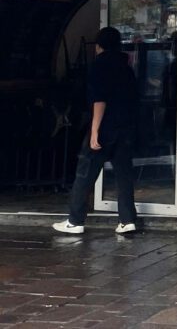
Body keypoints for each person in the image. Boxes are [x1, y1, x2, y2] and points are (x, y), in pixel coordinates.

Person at [53, 27, 139, 235]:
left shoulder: (98, 66)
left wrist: (94, 130)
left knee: (85, 172)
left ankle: (75, 220)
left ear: (99, 45)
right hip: (125, 127)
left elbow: (99, 100)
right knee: (124, 174)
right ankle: (127, 220)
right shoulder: (126, 67)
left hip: (105, 127)